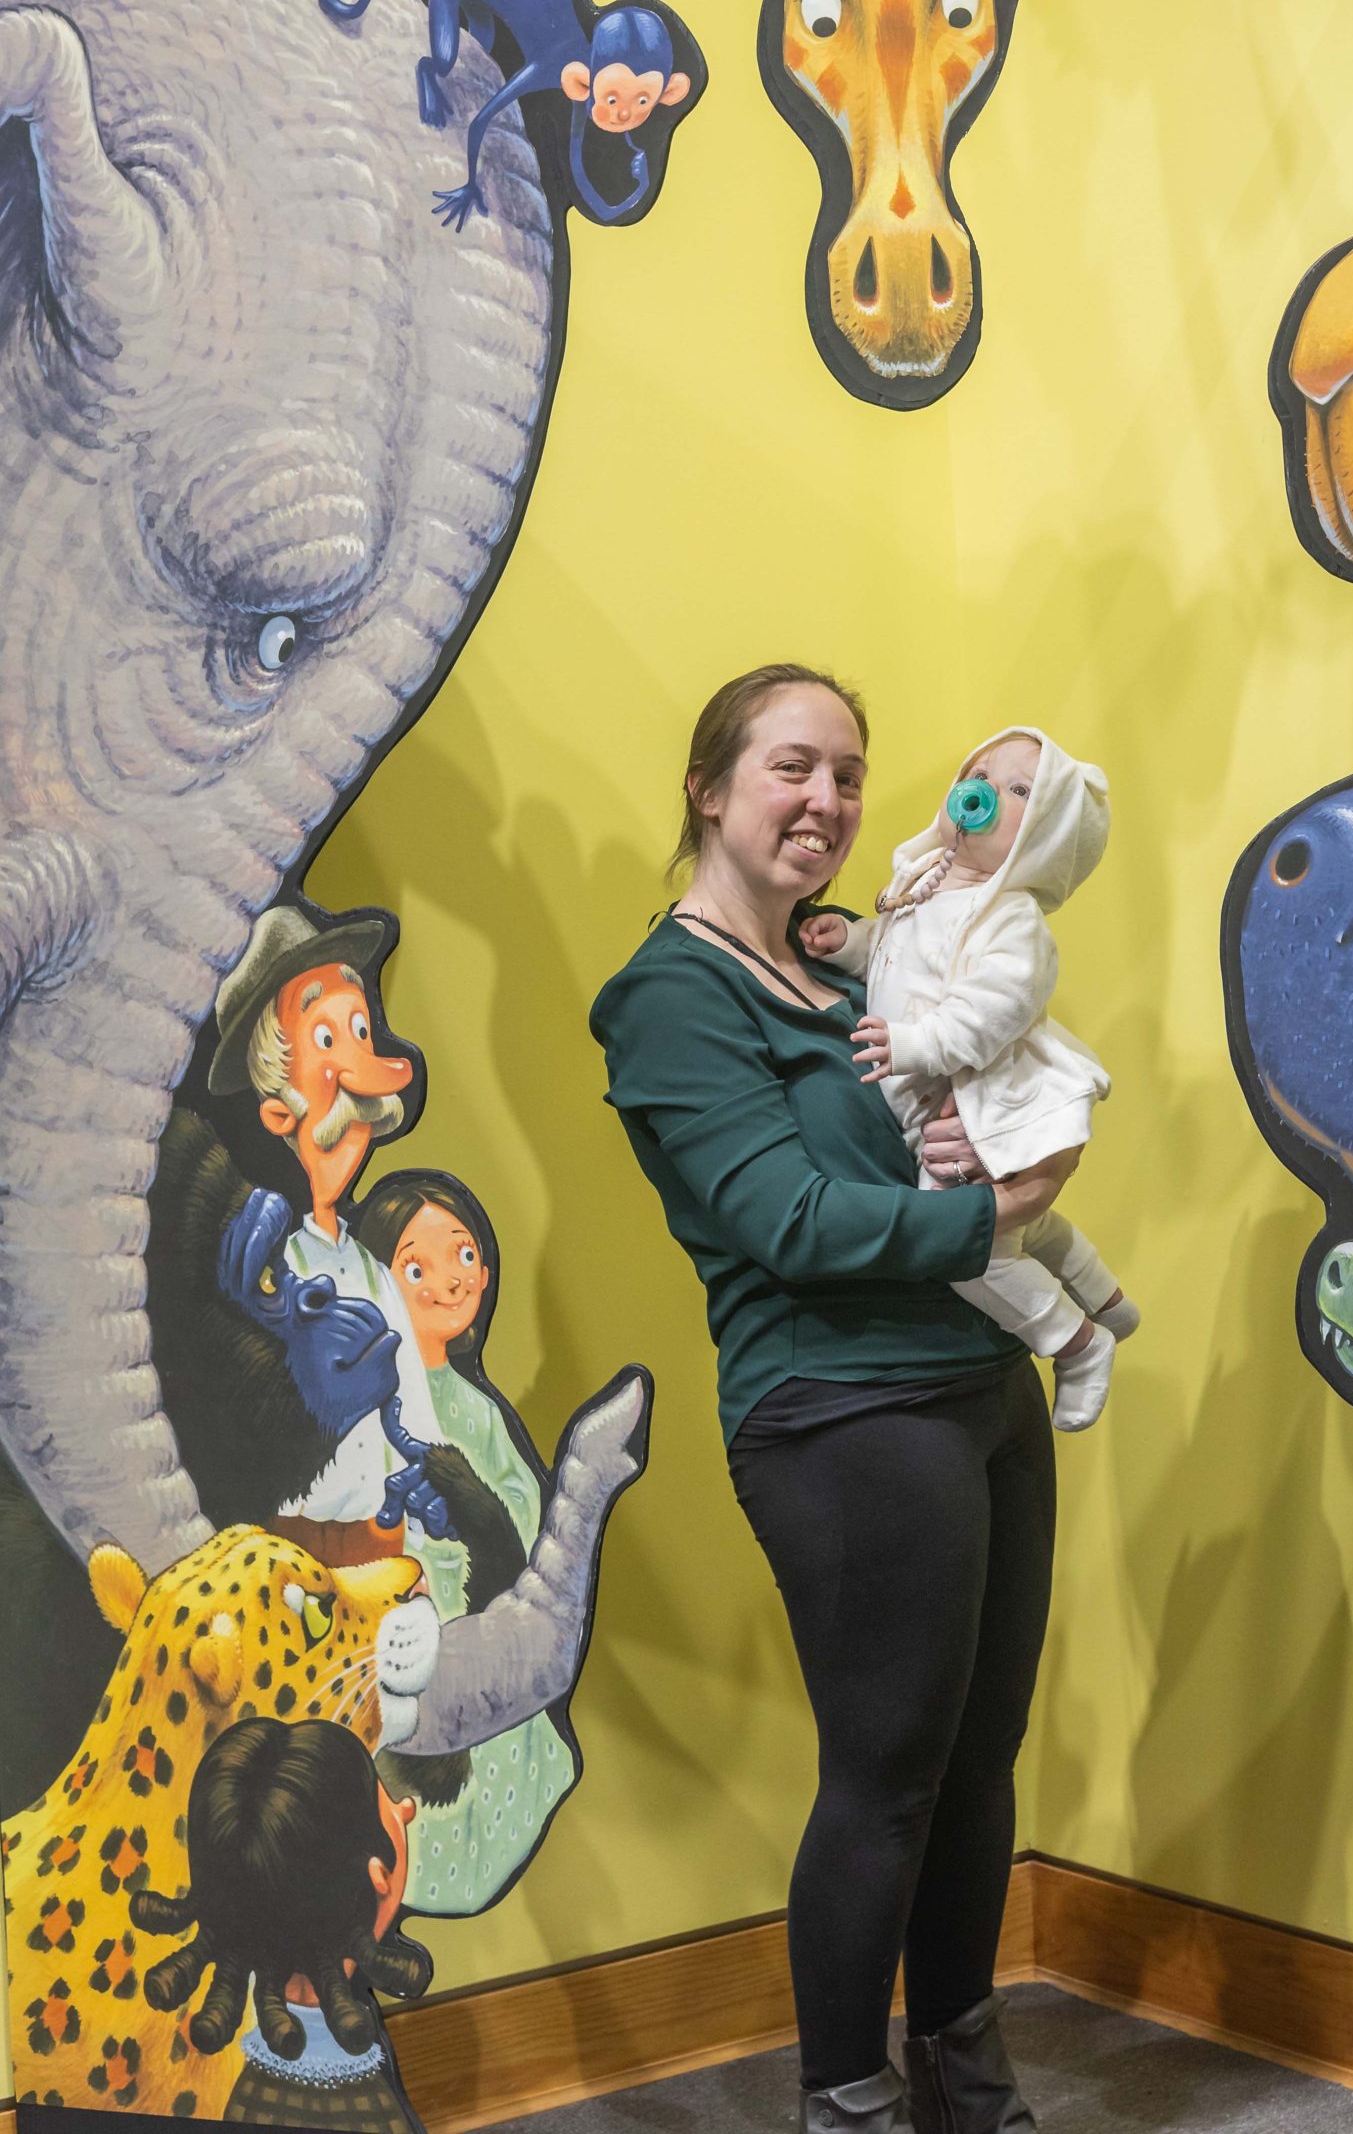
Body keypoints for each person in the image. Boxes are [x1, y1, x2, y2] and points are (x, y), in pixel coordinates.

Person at [590, 664, 1059, 2134]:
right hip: (843, 1418)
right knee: (885, 1785)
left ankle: (965, 2085)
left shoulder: (859, 965)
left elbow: (971, 1080)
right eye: (794, 768)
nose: (828, 802)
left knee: (978, 1767)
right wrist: (996, 1222)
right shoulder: (665, 999)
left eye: (850, 775)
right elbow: (783, 1218)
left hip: (982, 1388)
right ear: (709, 787)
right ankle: (845, 2105)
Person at [804, 725, 1134, 1432]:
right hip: (921, 1086)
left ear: (1042, 834)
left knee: (967, 1251)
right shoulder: (922, 884)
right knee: (1021, 1222)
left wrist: (914, 1042)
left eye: (1019, 789)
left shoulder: (1010, 919)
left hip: (966, 1098)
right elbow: (900, 956)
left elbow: (992, 1012)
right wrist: (853, 940)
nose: (984, 787)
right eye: (980, 772)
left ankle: (1076, 1341)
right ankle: (1105, 1295)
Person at [352, 1170, 578, 1913]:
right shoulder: (373, 1407)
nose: (450, 1281)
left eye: (465, 1255)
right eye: (417, 1266)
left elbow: (521, 1521)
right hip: (417, 1642)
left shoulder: (475, 1408)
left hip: (495, 1634)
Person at [209, 906, 439, 1563]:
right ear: (277, 1105)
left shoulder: (374, 1271)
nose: (362, 1064)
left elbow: (420, 1429)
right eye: (328, 1041)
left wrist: (434, 1490)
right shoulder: (257, 1263)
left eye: (361, 1030)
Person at [131, 1717, 431, 2132]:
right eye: (389, 1804)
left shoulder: (250, 2100)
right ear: (379, 1874)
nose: (406, 1810)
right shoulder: (369, 2110)